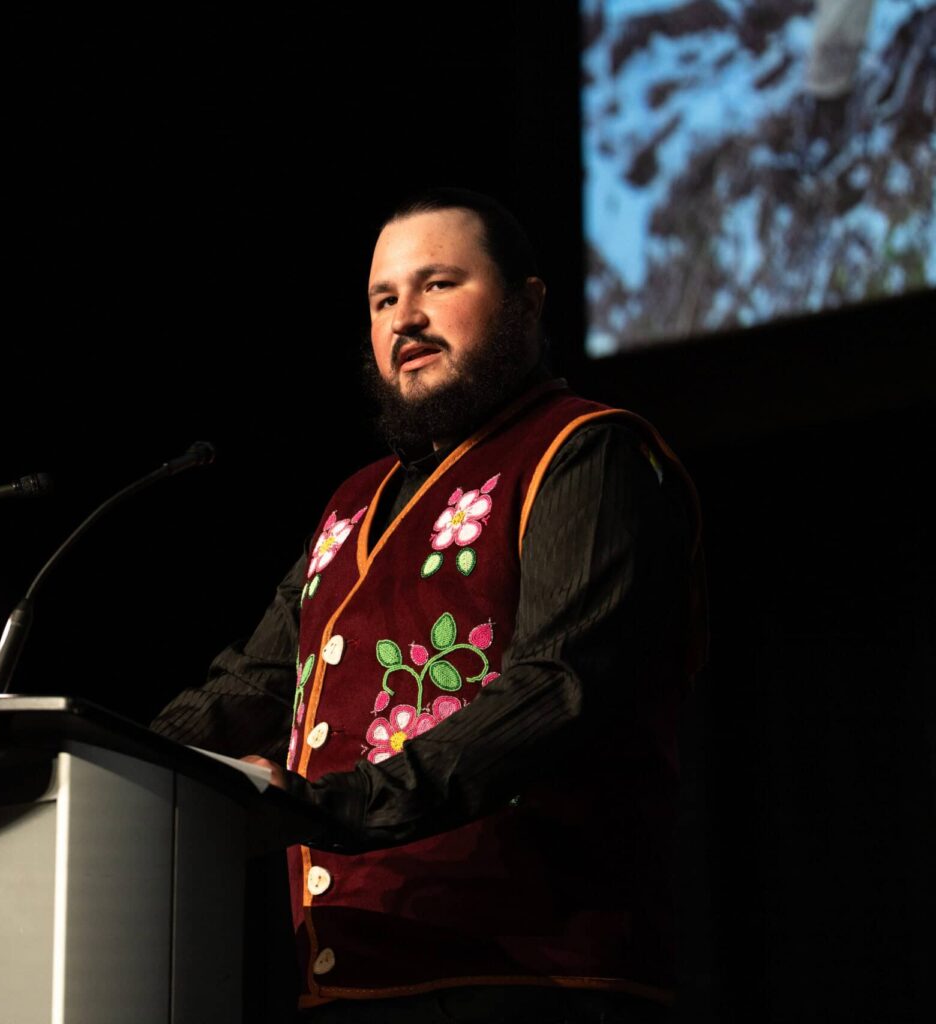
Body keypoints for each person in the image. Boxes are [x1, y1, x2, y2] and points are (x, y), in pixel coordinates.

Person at [151, 188, 708, 1022]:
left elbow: (560, 689)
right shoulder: (353, 502)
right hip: (350, 981)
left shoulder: (586, 451)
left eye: (438, 284)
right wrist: (100, 759)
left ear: (527, 302)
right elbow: (255, 686)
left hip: (532, 982)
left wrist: (335, 806)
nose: (404, 318)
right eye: (383, 300)